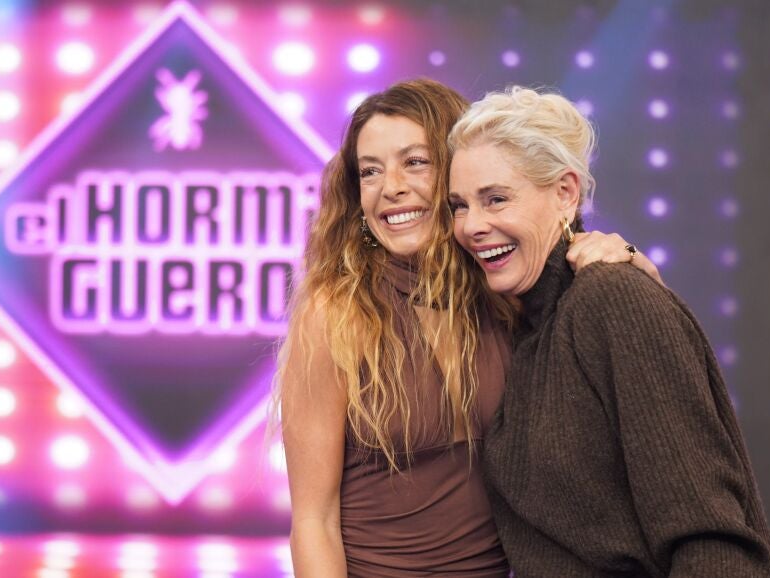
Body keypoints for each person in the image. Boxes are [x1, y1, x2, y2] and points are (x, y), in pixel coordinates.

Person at [275, 79, 661, 577]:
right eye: (370, 171)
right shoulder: (335, 312)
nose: (391, 186)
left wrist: (629, 258)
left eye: (415, 162)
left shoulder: (505, 289)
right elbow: (314, 521)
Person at [447, 86, 770, 577]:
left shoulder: (610, 298)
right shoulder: (526, 321)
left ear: (565, 193)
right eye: (459, 205)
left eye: (496, 199)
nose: (471, 225)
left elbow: (710, 537)